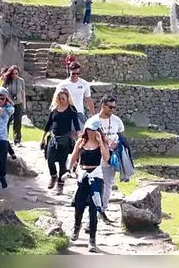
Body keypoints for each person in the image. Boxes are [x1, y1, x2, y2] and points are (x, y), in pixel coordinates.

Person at [68, 120, 112, 252]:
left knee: (93, 209)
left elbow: (106, 158)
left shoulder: (101, 143)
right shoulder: (81, 142)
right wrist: (69, 170)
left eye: (93, 130)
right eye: (89, 129)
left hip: (96, 176)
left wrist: (100, 142)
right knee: (79, 205)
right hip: (83, 175)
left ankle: (92, 240)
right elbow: (74, 156)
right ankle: (76, 227)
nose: (90, 132)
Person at [85, 96, 126, 213]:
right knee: (93, 183)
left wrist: (117, 144)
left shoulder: (117, 121)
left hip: (110, 157)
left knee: (108, 184)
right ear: (103, 106)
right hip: (95, 157)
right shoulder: (92, 121)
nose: (113, 110)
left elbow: (122, 137)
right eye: (110, 107)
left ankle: (103, 209)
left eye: (114, 107)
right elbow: (85, 138)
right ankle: (92, 209)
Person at [42, 89, 82, 193]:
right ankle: (53, 176)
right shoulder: (54, 109)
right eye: (59, 99)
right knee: (50, 159)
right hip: (53, 138)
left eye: (63, 98)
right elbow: (48, 124)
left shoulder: (71, 110)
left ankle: (60, 184)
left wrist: (79, 137)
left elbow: (76, 125)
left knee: (62, 162)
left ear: (67, 98)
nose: (61, 100)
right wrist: (42, 138)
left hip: (65, 139)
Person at [2, 65, 26, 146]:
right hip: (9, 104)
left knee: (18, 122)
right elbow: (3, 91)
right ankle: (5, 139)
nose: (15, 75)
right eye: (13, 74)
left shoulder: (21, 80)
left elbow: (23, 93)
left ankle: (17, 140)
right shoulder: (6, 80)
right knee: (7, 121)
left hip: (18, 103)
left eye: (16, 73)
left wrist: (24, 105)